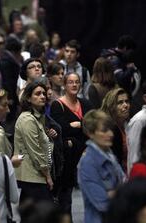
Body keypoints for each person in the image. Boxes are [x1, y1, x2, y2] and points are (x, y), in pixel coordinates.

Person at [50, 72, 93, 219]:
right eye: (70, 82)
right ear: (64, 85)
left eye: (77, 82)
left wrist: (79, 125)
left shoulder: (86, 103)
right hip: (68, 159)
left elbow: (92, 126)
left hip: (85, 154)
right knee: (66, 200)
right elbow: (63, 129)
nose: (74, 85)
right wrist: (83, 128)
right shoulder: (57, 105)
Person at [78, 110, 126, 223]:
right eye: (104, 130)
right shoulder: (87, 163)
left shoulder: (109, 154)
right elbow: (102, 203)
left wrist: (113, 193)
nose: (111, 134)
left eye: (110, 130)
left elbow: (126, 185)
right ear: (90, 133)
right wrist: (121, 193)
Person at [14, 81, 54, 204]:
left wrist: (48, 136)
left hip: (33, 175)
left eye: (43, 93)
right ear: (28, 98)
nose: (42, 96)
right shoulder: (27, 119)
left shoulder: (37, 117)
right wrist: (47, 175)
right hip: (33, 175)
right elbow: (35, 151)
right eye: (37, 94)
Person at [100, 88, 131, 172]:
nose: (125, 105)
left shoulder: (128, 125)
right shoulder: (109, 130)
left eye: (127, 101)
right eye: (120, 102)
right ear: (111, 106)